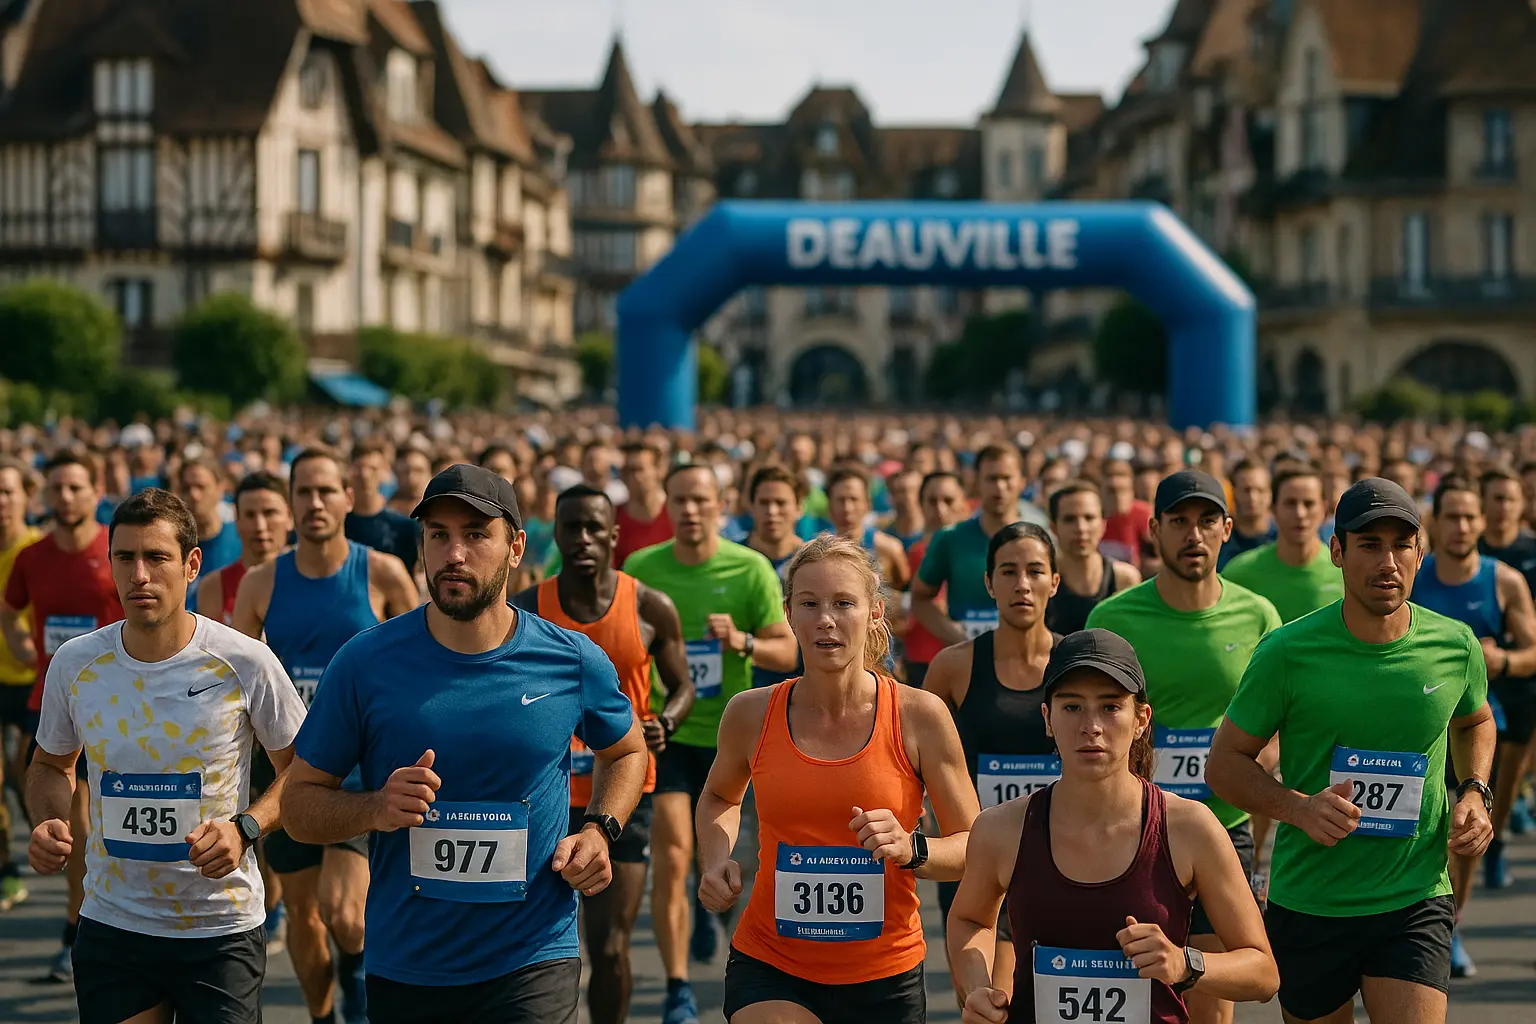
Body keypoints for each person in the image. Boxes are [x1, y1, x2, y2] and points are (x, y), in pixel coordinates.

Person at [280, 464, 650, 1024]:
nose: (454, 554)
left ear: (516, 548)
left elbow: (627, 751)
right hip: (409, 963)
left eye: (476, 535)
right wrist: (376, 808)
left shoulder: (569, 659)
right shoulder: (364, 663)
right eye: (438, 535)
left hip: (533, 956)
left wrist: (600, 828)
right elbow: (298, 807)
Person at [1209, 477, 1497, 1024]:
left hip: (1415, 896)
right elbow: (1223, 764)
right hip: (1312, 900)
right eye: (1369, 545)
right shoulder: (1287, 651)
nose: (1388, 562)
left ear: (1420, 553)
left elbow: (1475, 719)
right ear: (1337, 551)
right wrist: (1298, 808)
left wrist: (1475, 791)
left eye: (1402, 545)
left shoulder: (1455, 644)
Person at [26, 488, 306, 1024]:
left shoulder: (245, 661)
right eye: (125, 558)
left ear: (191, 565)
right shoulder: (76, 664)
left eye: (156, 558)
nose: (139, 575)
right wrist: (48, 819)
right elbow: (50, 765)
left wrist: (247, 827)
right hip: (114, 922)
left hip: (218, 926)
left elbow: (302, 771)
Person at [696, 534, 981, 1024]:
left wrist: (912, 848)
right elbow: (720, 796)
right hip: (771, 961)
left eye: (844, 603)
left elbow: (974, 846)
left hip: (884, 972)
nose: (825, 619)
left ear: (875, 612)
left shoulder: (919, 715)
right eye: (809, 604)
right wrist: (717, 858)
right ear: (789, 614)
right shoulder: (750, 713)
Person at [947, 628, 1279, 1024]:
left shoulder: (1190, 827)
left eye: (1110, 707)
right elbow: (969, 919)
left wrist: (1184, 963)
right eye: (1072, 707)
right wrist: (976, 986)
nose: (1091, 726)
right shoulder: (1002, 828)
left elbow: (1263, 973)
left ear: (1141, 720)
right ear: (1047, 718)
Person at [1085, 470, 1281, 1024]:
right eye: (1179, 521)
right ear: (1154, 530)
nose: (1194, 535)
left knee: (1212, 1003)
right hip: (1132, 832)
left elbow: (1280, 719)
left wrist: (1264, 757)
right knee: (1130, 999)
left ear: (1227, 529)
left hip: (1221, 828)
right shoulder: (1112, 618)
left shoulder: (1259, 615)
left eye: (1207, 521)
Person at [234, 449, 418, 1024]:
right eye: (304, 492)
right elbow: (238, 686)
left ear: (348, 498)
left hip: (362, 774)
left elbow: (423, 663)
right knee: (306, 922)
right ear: (291, 503)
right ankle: (323, 1015)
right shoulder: (261, 583)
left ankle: (360, 993)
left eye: (326, 491)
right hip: (289, 774)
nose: (315, 503)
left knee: (345, 914)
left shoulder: (384, 573)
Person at [510, 482, 694, 1024]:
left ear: (614, 536)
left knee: (610, 946)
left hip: (622, 795)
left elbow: (682, 685)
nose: (583, 539)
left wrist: (666, 722)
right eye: (572, 528)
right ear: (555, 534)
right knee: (535, 949)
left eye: (594, 528)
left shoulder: (649, 605)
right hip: (543, 797)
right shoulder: (527, 609)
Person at [623, 463, 799, 1024]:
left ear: (721, 505)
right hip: (669, 733)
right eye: (680, 500)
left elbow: (787, 651)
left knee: (732, 855)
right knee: (673, 852)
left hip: (734, 738)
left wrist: (742, 641)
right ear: (666, 505)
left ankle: (710, 907)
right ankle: (677, 987)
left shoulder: (749, 568)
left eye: (701, 500)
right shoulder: (641, 569)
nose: (690, 510)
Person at [923, 522, 1062, 1001]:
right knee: (982, 1002)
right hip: (975, 853)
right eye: (1008, 571)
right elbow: (915, 754)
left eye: (1035, 571)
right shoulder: (953, 667)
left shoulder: (1076, 664)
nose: (1022, 584)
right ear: (988, 582)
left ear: (1054, 582)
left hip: (1059, 854)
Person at [1405, 473, 1536, 975]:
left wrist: (1501, 660)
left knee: (1464, 834)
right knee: (1421, 833)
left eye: (1468, 516)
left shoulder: (1504, 581)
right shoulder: (1416, 576)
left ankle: (1451, 924)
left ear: (1482, 521)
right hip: (1418, 728)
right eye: (1451, 517)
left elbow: (1532, 651)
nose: (1460, 526)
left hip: (1480, 726)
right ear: (1435, 523)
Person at [1, 449, 124, 980]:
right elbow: (10, 610)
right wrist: (25, 648)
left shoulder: (116, 549)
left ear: (96, 491)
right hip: (51, 705)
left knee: (102, 825)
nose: (66, 497)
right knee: (73, 824)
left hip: (118, 707)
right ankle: (78, 929)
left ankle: (93, 926)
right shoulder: (32, 558)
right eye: (57, 488)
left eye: (76, 487)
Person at [913, 445, 1031, 648]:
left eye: (1006, 478)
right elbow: (920, 599)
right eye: (991, 478)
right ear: (977, 482)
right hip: (967, 659)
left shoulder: (1039, 541)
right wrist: (956, 638)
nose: (999, 487)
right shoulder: (950, 539)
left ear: (1022, 482)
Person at [1476, 468, 1536, 844]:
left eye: (1510, 499)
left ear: (1521, 505)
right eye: (1496, 498)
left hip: (1520, 671)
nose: (1503, 507)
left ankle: (1497, 838)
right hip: (1476, 672)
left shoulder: (1531, 552)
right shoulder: (1468, 548)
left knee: (1511, 765)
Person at [1221, 464, 1344, 626]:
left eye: (1308, 504)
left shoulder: (1345, 573)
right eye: (1290, 503)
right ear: (1273, 509)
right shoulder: (1238, 574)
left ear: (1324, 509)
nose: (1300, 514)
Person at [0, 455, 41, 911]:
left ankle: (49, 838)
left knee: (24, 772)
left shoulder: (37, 549)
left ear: (26, 497)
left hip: (34, 679)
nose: (1, 501)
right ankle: (5, 871)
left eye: (7, 491)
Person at [903, 470, 971, 689]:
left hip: (967, 661)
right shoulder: (914, 554)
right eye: (932, 501)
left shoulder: (981, 553)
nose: (940, 509)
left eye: (948, 501)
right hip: (923, 661)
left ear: (964, 503)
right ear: (921, 505)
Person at [1045, 481, 1141, 635]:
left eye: (1089, 518)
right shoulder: (1042, 579)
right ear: (1054, 527)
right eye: (1070, 519)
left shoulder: (1124, 579)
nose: (1081, 528)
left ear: (1103, 524)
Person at [198, 472, 293, 627]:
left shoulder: (308, 579)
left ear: (290, 517)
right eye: (250, 515)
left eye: (269, 513)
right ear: (237, 520)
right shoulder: (214, 587)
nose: (260, 526)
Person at [744, 466, 808, 689]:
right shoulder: (732, 562)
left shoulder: (815, 563)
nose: (772, 511)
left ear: (798, 508)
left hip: (802, 687)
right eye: (764, 503)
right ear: (751, 507)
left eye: (780, 503)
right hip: (745, 688)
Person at [825, 466, 911, 592]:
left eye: (853, 499)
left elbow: (905, 592)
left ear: (867, 504)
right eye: (841, 500)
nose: (847, 508)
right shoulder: (820, 553)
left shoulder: (889, 549)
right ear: (830, 505)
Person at [174, 454, 242, 608]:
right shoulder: (174, 544)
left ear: (220, 488)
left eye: (201, 487)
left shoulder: (240, 537)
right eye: (187, 488)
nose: (194, 495)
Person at [345, 442, 421, 577]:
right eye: (358, 468)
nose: (365, 475)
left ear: (384, 472)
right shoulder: (338, 524)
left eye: (373, 468)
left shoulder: (404, 527)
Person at [615, 442, 674, 567]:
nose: (632, 476)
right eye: (626, 471)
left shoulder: (678, 513)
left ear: (659, 470)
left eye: (638, 469)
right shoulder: (614, 517)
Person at [1217, 459, 1276, 570]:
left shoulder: (1283, 539)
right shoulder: (1219, 540)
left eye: (1260, 490)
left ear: (1270, 494)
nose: (1252, 497)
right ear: (1233, 492)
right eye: (1246, 490)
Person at [1099, 457, 1153, 570]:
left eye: (1123, 490)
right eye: (1112, 491)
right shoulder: (1092, 517)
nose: (1118, 498)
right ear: (1101, 490)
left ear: (1132, 491)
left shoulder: (1145, 515)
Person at [882, 466, 926, 552]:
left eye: (913, 490)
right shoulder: (885, 537)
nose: (907, 496)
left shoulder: (935, 534)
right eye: (900, 492)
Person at [387, 447, 434, 517]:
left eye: (419, 471)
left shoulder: (442, 510)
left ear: (431, 474)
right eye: (405, 472)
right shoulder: (386, 512)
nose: (412, 478)